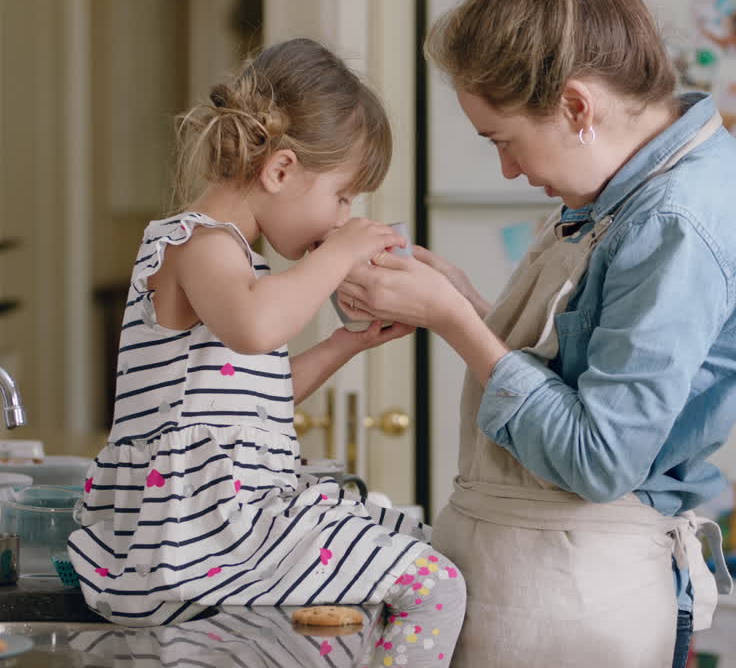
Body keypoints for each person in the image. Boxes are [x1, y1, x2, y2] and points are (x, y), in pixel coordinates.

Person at [337, 0, 736, 666]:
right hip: (536, 579)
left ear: (576, 106)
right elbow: (576, 369)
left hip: (577, 600)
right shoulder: (628, 181)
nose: (511, 170)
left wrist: (456, 320)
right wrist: (461, 298)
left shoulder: (673, 223)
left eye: (504, 142)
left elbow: (599, 458)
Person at [67, 38, 465, 667]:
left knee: (409, 552)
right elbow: (255, 329)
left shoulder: (230, 260)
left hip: (215, 531)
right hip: (202, 534)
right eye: (342, 197)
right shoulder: (199, 243)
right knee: (433, 583)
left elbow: (248, 397)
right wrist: (339, 256)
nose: (343, 218)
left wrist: (345, 344)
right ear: (279, 170)